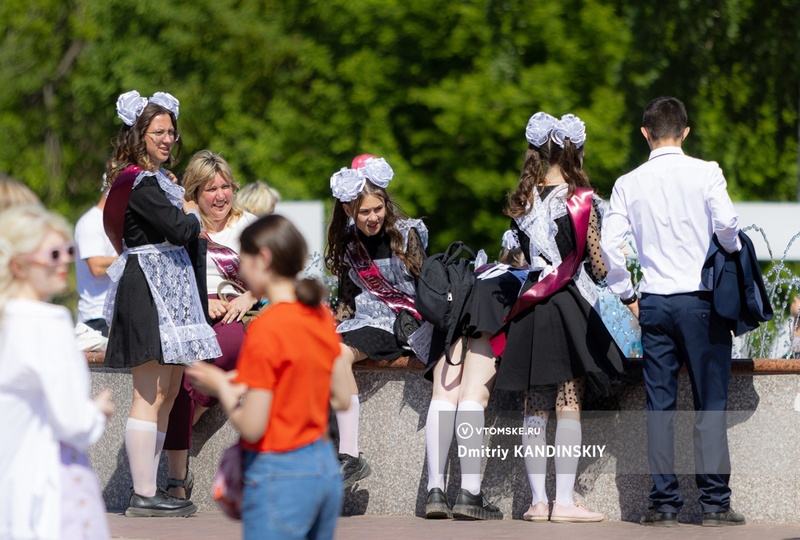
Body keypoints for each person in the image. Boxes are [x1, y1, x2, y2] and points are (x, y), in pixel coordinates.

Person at [601, 96, 745, 527]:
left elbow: (609, 246)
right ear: (685, 131)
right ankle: (715, 505)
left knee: (659, 405)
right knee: (710, 404)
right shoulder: (706, 172)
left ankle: (663, 503)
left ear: (645, 133)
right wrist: (731, 250)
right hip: (701, 302)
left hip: (656, 302)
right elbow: (728, 226)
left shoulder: (628, 182)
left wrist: (627, 294)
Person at [491, 112, 626, 523]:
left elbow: (508, 262)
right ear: (575, 152)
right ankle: (564, 502)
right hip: (569, 308)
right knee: (569, 401)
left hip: (531, 310)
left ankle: (536, 502)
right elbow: (599, 269)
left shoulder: (522, 202)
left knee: (536, 404)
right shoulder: (582, 201)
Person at [186, 214, 351, 540]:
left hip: (280, 472)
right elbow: (342, 396)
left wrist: (219, 384)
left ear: (263, 259)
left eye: (242, 261)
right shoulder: (319, 314)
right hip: (324, 469)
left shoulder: (266, 326)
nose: (241, 271)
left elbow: (252, 425)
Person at [102, 90, 221, 517]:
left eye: (172, 131)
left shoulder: (156, 180)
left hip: (169, 288)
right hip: (147, 287)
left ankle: (151, 487)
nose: (168, 139)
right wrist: (191, 214)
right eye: (159, 132)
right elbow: (178, 228)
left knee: (169, 391)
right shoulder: (140, 181)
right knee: (149, 392)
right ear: (139, 134)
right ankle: (142, 492)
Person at [0, 204, 115, 539]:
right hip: (48, 484)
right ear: (18, 264)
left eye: (68, 250)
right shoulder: (47, 322)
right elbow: (73, 423)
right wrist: (97, 412)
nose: (65, 260)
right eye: (53, 253)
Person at [325, 154, 427, 487]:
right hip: (362, 321)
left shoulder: (408, 233)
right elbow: (346, 301)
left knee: (338, 356)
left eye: (378, 209)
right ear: (349, 211)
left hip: (398, 323)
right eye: (364, 211)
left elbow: (425, 289)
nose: (373, 218)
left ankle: (350, 455)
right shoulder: (348, 243)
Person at [164, 150, 259, 499]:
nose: (220, 196)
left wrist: (251, 296)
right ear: (194, 192)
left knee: (232, 342)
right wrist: (203, 301)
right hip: (192, 311)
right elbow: (171, 275)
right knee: (180, 374)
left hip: (238, 311)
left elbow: (277, 271)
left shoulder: (247, 224)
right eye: (209, 189)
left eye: (225, 187)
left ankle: (186, 424)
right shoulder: (182, 223)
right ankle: (177, 479)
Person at [422, 234, 527, 521]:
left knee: (443, 396)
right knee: (473, 398)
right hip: (491, 308)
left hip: (456, 300)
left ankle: (435, 491)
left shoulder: (483, 269)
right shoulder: (520, 276)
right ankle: (469, 491)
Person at [75, 178, 117, 337]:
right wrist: (132, 259)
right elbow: (97, 267)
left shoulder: (118, 222)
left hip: (116, 315)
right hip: (96, 318)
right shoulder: (90, 223)